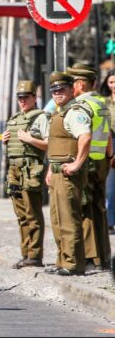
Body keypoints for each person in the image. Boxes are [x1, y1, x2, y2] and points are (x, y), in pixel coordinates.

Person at [44, 71, 89, 276]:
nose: (58, 94)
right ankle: (63, 259)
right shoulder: (59, 112)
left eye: (62, 89)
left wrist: (77, 164)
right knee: (57, 219)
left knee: (68, 219)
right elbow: (54, 146)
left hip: (68, 173)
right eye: (54, 91)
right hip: (56, 172)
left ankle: (73, 264)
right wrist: (49, 171)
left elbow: (85, 138)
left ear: (72, 89)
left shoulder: (75, 111)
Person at [67, 63, 112, 271]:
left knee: (85, 209)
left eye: (72, 82)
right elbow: (108, 134)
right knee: (99, 208)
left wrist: (77, 162)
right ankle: (104, 257)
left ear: (81, 84)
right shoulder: (101, 102)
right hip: (102, 160)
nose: (70, 87)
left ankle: (89, 257)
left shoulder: (82, 105)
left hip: (87, 161)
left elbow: (84, 137)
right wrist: (110, 155)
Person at [1, 80, 48, 269]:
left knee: (33, 214)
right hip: (14, 170)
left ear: (34, 98)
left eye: (26, 97)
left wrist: (30, 139)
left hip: (31, 170)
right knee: (21, 215)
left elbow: (49, 143)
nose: (22, 101)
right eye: (20, 98)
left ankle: (35, 255)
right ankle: (25, 253)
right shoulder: (14, 118)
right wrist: (5, 140)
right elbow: (15, 146)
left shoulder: (41, 117)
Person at [100, 69, 115, 235]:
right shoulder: (104, 102)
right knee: (110, 186)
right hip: (110, 142)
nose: (113, 85)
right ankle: (110, 221)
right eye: (111, 82)